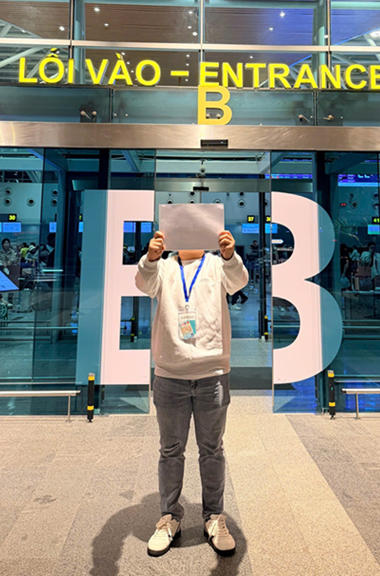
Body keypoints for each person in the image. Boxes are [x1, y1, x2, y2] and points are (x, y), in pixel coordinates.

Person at [136, 228, 248, 558]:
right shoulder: (163, 267)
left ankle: (214, 517)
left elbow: (239, 281)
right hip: (170, 374)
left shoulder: (217, 264)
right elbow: (143, 284)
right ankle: (169, 517)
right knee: (171, 450)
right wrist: (150, 258)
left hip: (212, 373)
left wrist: (230, 255)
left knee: (212, 449)